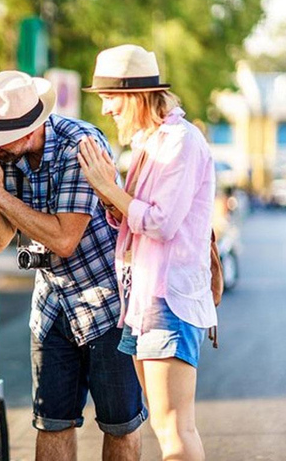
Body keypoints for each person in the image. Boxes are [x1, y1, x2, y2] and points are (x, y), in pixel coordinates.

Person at [0, 70, 146, 460]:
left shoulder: (80, 145)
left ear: (29, 129)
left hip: (107, 302)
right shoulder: (3, 156)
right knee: (52, 421)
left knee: (120, 423)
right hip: (53, 305)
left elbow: (63, 239)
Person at [77, 44, 217, 460]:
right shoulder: (149, 144)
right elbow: (134, 221)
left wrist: (109, 188)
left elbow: (161, 222)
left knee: (175, 428)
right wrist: (111, 200)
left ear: (135, 96)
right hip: (143, 299)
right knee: (163, 424)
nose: (105, 111)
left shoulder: (179, 141)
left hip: (167, 298)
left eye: (109, 99)